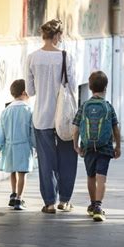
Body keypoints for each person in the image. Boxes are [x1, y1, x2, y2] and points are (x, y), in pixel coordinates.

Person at [24, 19, 78, 214]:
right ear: (57, 36)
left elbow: (29, 90)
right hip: (64, 118)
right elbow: (72, 86)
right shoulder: (66, 57)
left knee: (46, 162)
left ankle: (49, 203)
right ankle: (64, 200)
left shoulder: (32, 58)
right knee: (68, 158)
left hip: (42, 116)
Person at [72, 71, 121, 222]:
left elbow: (76, 128)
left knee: (91, 176)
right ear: (105, 87)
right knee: (102, 178)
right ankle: (99, 207)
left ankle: (93, 204)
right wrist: (117, 146)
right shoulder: (108, 106)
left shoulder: (84, 106)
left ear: (91, 87)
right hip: (105, 147)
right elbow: (115, 128)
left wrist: (76, 145)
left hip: (88, 147)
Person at [0, 79, 35, 210]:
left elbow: (1, 130)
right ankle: (19, 199)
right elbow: (32, 131)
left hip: (9, 147)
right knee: (22, 173)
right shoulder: (28, 110)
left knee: (13, 172)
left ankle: (13, 193)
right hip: (23, 146)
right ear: (24, 92)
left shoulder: (6, 110)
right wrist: (36, 146)